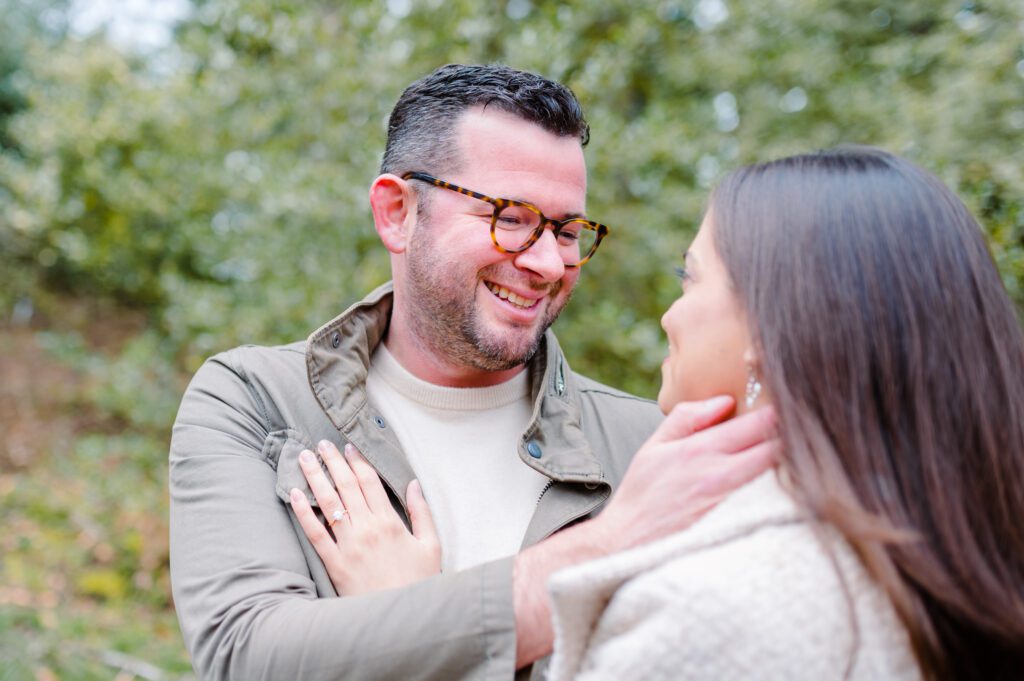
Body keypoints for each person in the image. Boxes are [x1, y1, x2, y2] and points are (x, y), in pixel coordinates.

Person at [168, 63, 776, 681]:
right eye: (510, 218)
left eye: (566, 230)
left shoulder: (654, 446)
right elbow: (245, 655)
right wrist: (608, 546)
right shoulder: (254, 401)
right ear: (397, 212)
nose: (545, 263)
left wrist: (391, 620)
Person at [545, 147, 1024, 680]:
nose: (669, 313)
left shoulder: (707, 608)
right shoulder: (953, 556)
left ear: (767, 328)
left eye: (691, 275)